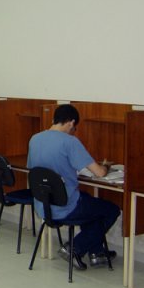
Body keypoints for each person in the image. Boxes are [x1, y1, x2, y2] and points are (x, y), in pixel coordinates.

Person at [27, 104, 120, 270]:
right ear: (70, 123)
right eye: (74, 127)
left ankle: (96, 253)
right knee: (111, 210)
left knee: (92, 205)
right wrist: (106, 166)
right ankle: (74, 247)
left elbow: (38, 170)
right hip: (67, 206)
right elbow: (99, 173)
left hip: (43, 205)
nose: (73, 131)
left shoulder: (35, 139)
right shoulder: (70, 142)